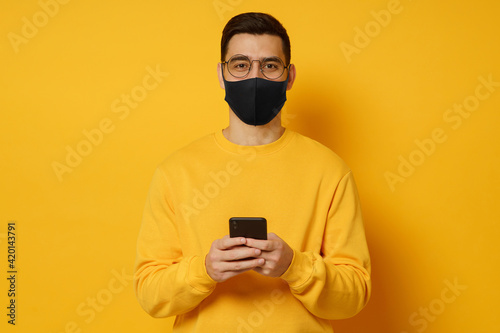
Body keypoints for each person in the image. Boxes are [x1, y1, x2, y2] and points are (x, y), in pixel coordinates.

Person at [134, 12, 371, 332]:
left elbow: (354, 296)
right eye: (241, 64)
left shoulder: (330, 171)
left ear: (289, 76)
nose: (255, 77)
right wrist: (205, 270)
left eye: (270, 66)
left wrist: (294, 266)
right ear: (221, 74)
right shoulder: (175, 172)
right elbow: (150, 294)